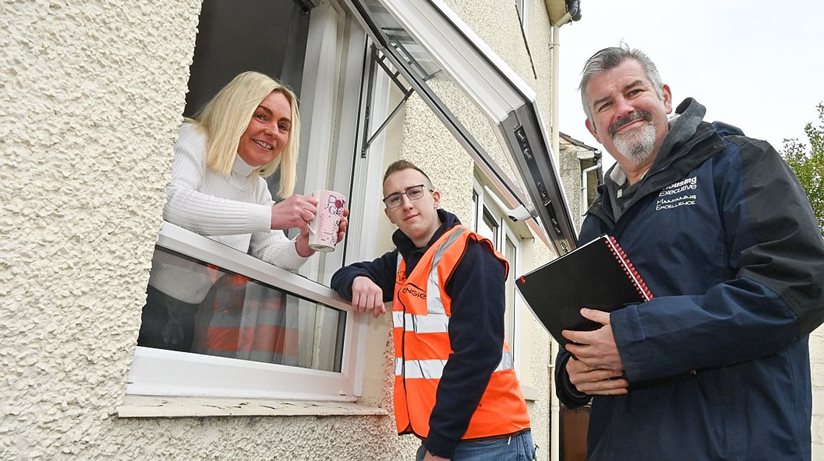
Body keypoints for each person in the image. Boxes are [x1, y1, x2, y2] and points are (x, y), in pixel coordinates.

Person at [555, 44, 824, 460]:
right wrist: (572, 376)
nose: (623, 109)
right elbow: (586, 333)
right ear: (593, 129)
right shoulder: (597, 221)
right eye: (605, 104)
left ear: (664, 96)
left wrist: (637, 339)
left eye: (634, 91)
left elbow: (795, 286)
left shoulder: (738, 163)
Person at [331, 160, 534, 460]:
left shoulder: (471, 253)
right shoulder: (402, 261)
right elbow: (342, 275)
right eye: (395, 199)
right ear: (388, 213)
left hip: (489, 440)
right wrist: (359, 280)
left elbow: (477, 355)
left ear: (435, 197)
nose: (407, 204)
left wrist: (438, 448)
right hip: (443, 438)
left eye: (415, 192)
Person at [138, 71, 347, 355]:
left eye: (283, 126)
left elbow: (270, 254)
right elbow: (172, 203)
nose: (273, 131)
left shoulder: (257, 187)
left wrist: (302, 245)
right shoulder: (194, 139)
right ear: (236, 112)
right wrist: (271, 216)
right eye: (262, 116)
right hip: (141, 301)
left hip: (191, 314)